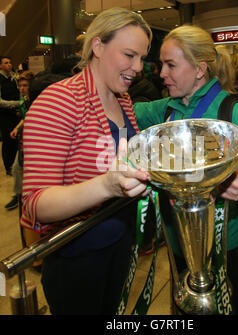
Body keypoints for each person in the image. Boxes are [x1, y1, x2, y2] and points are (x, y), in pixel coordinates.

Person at [134, 25, 238, 314]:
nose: (161, 73)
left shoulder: (235, 112)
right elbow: (126, 110)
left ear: (199, 69)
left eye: (170, 65)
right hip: (181, 249)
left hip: (228, 252)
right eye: (161, 65)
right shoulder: (168, 110)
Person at [20, 7, 152, 315]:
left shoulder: (124, 100)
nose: (138, 67)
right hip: (76, 256)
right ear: (97, 46)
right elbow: (36, 203)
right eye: (130, 55)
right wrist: (106, 185)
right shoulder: (58, 101)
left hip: (120, 242)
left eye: (142, 58)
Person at [5, 71, 34, 211]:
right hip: (24, 138)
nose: (22, 88)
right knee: (17, 168)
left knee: (19, 168)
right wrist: (17, 128)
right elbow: (24, 118)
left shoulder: (33, 100)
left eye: (25, 85)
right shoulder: (22, 99)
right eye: (20, 85)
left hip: (32, 140)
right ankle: (18, 195)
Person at [0, 56, 21, 176]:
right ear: (0, 66)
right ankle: (8, 166)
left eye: (10, 62)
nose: (9, 65)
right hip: (5, 115)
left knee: (16, 141)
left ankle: (15, 165)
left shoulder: (14, 77)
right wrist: (17, 104)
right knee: (8, 141)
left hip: (16, 114)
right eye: (6, 63)